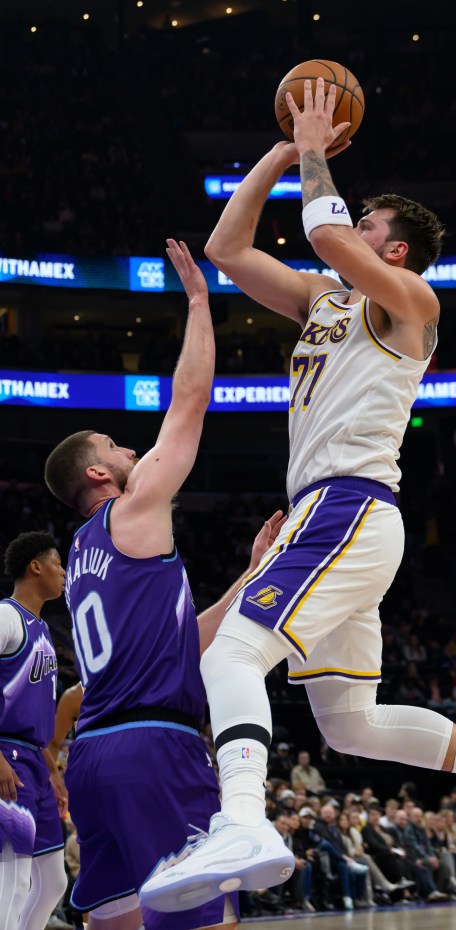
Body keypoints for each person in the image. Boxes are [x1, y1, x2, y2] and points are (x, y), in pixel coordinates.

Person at [140, 79, 456, 912]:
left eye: (368, 229)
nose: (349, 237)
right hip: (336, 514)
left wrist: (314, 145)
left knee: (230, 654)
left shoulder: (413, 305)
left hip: (347, 503)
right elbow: (227, 248)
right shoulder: (324, 300)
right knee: (350, 725)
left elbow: (324, 228)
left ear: (391, 251)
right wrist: (282, 152)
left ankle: (242, 817)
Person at [43, 241, 285, 930]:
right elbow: (190, 403)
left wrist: (249, 573)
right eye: (117, 448)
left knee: (112, 922)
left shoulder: (86, 553)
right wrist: (202, 304)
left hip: (93, 756)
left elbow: (182, 643)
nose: (131, 452)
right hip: (154, 747)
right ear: (98, 476)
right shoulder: (133, 509)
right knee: (207, 919)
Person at [0, 532, 69, 930]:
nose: (63, 571)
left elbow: (37, 712)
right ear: (35, 566)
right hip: (8, 755)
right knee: (12, 877)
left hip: (36, 762)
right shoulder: (7, 615)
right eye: (57, 563)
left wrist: (54, 772)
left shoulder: (42, 630)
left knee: (53, 881)